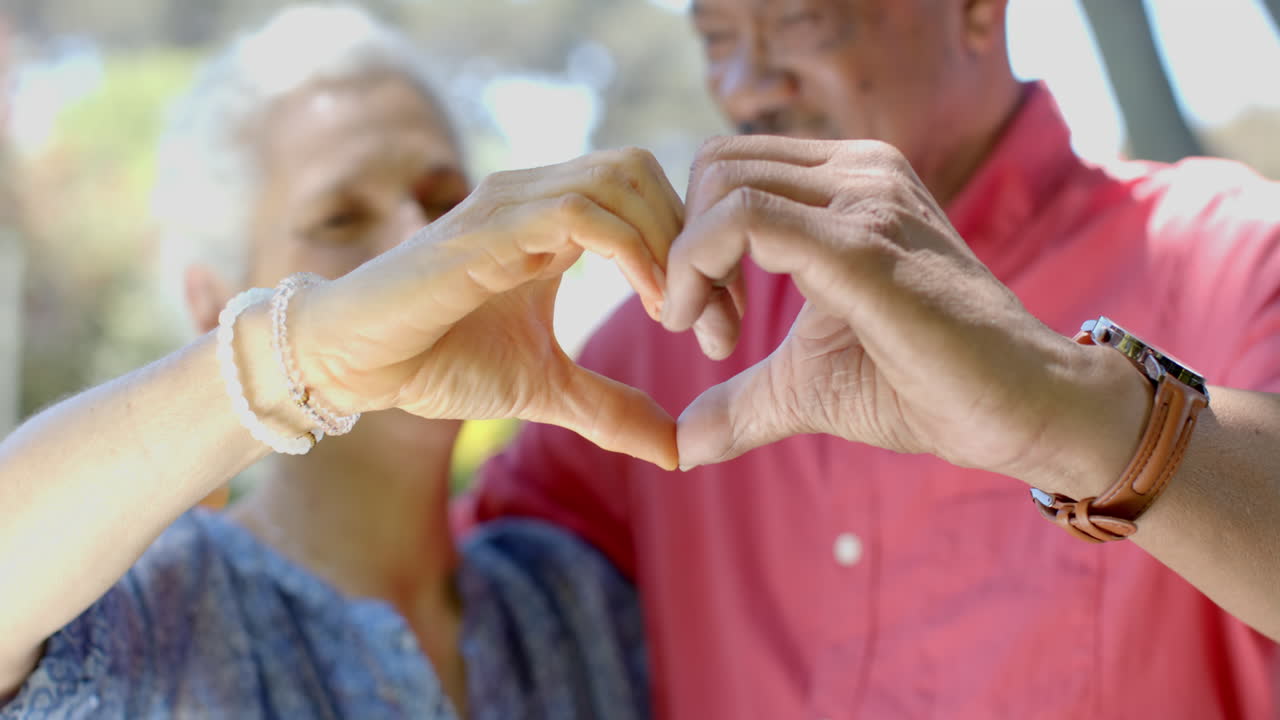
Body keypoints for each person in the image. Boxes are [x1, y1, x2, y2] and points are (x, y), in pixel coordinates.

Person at [458, 1, 1280, 717]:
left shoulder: (1234, 254)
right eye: (714, 36)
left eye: (798, 21)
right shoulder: (667, 336)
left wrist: (1071, 410)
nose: (745, 85)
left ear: (977, 10)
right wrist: (342, 350)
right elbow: (426, 611)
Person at [0, 6, 681, 718]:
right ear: (212, 304)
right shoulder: (150, 608)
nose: (422, 242)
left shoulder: (572, 601)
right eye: (339, 219)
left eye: (448, 202)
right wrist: (309, 350)